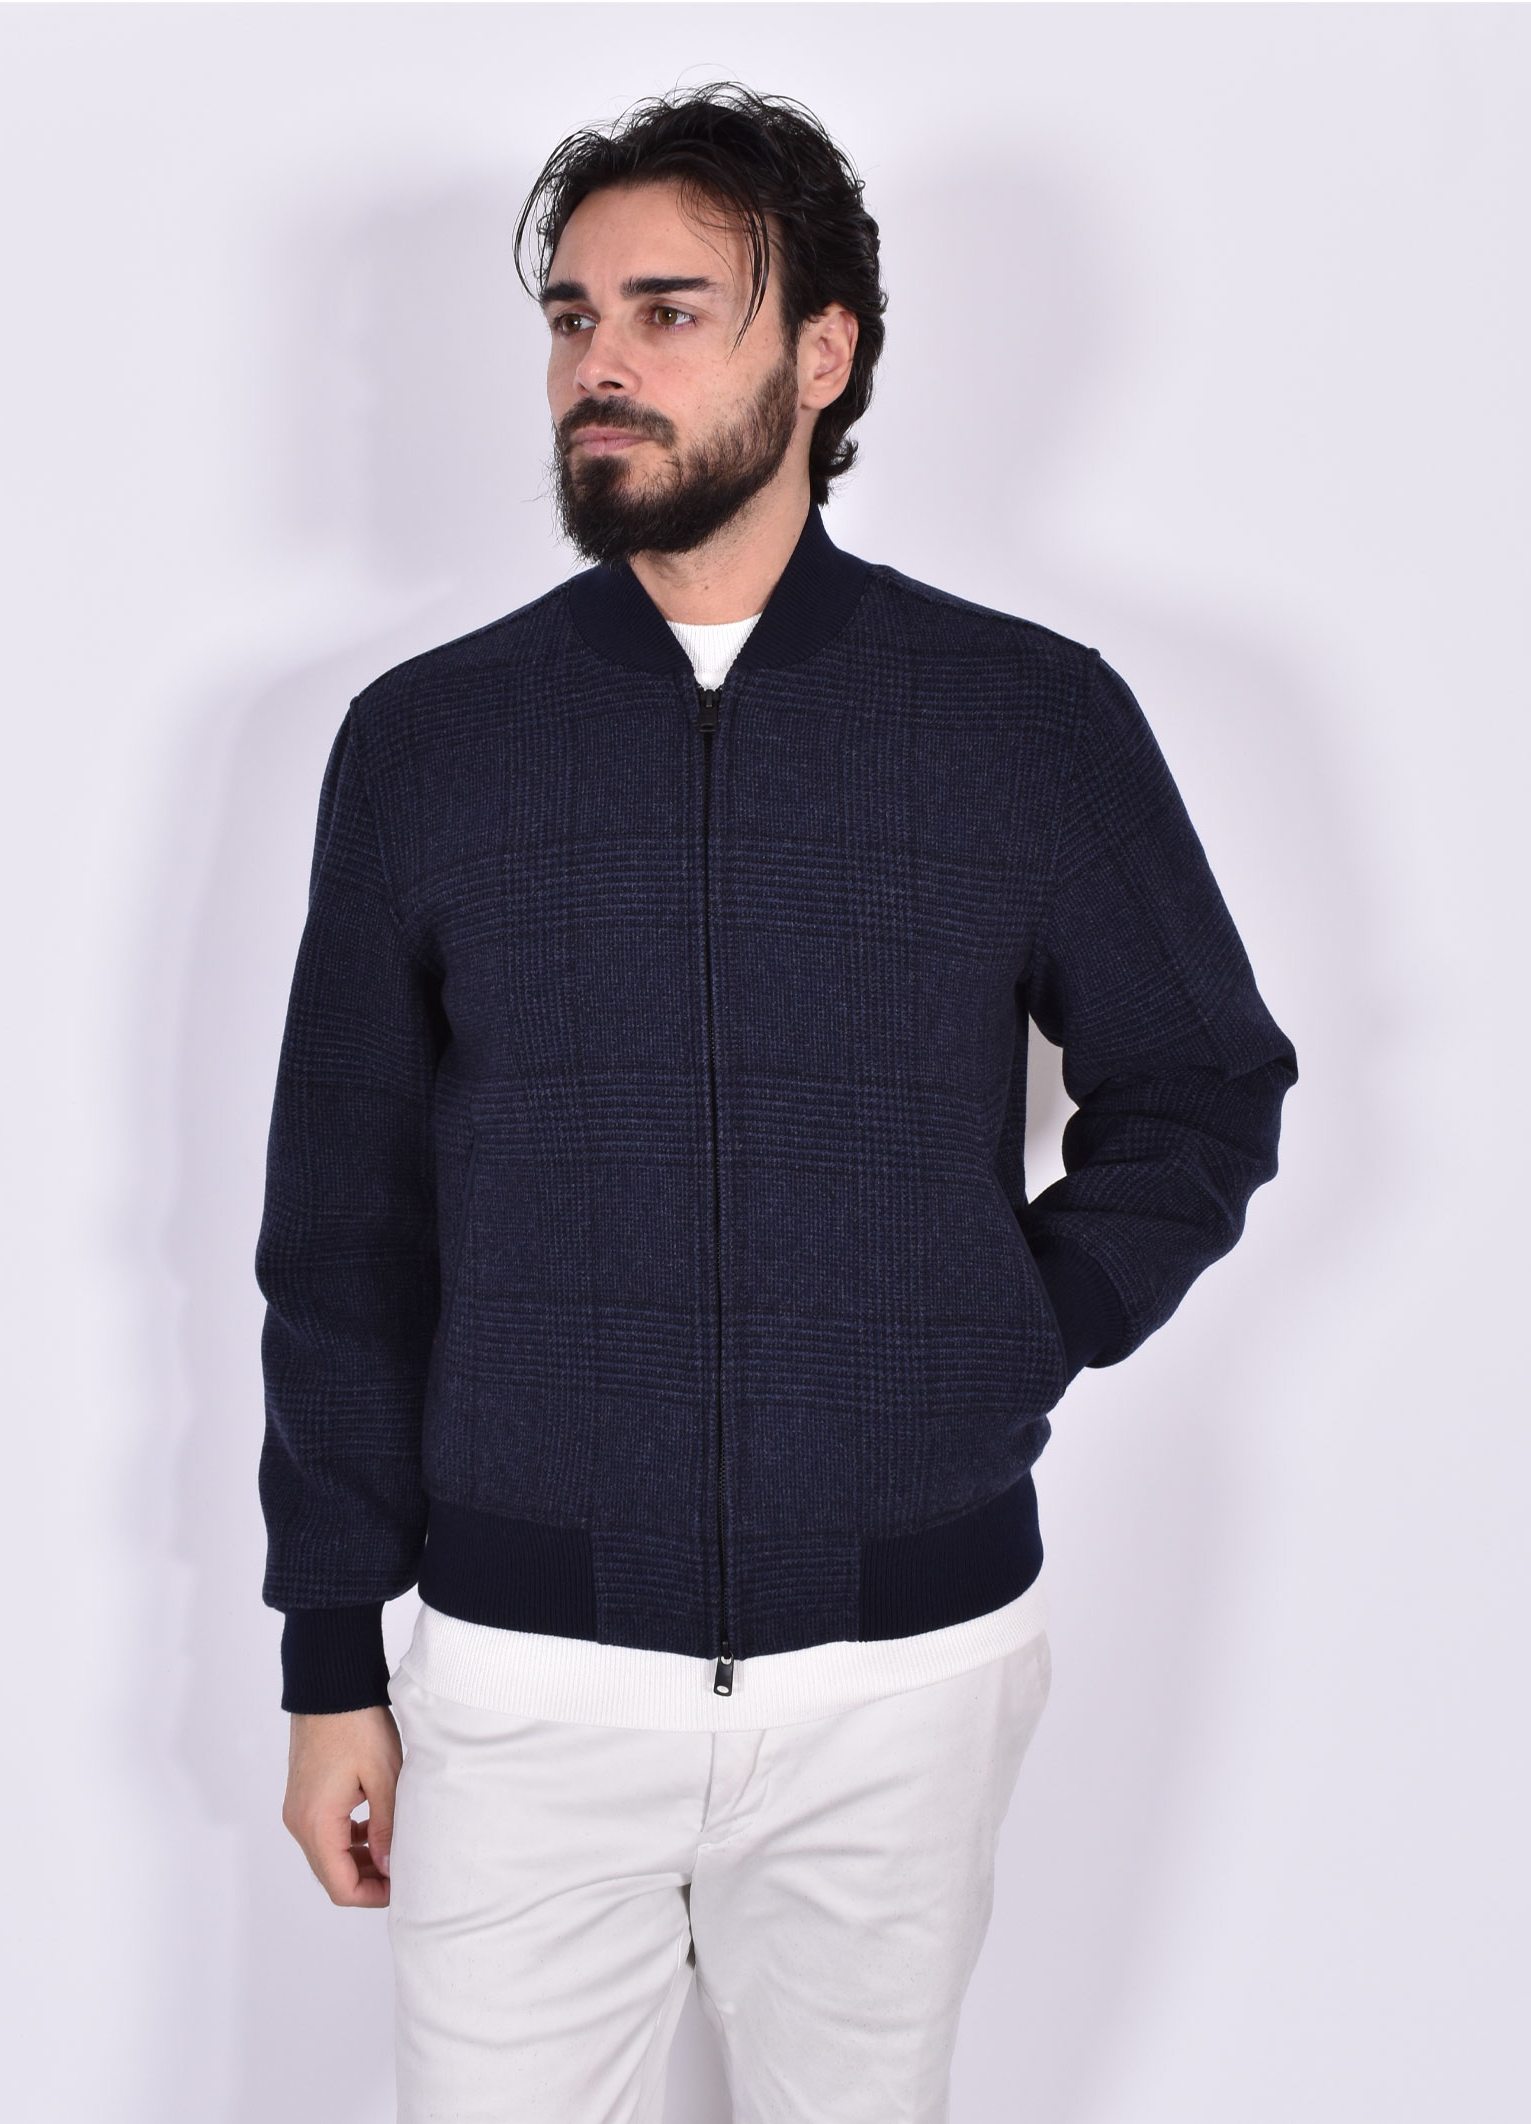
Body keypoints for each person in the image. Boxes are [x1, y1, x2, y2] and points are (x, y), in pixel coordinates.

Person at [258, 83, 1297, 2124]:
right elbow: (343, 1226)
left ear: (820, 355)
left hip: (903, 1681)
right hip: (523, 1682)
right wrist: (325, 1657)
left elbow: (1199, 1085)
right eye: (573, 319)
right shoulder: (430, 744)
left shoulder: (1023, 720)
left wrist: (1003, 1329)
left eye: (668, 313)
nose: (601, 365)